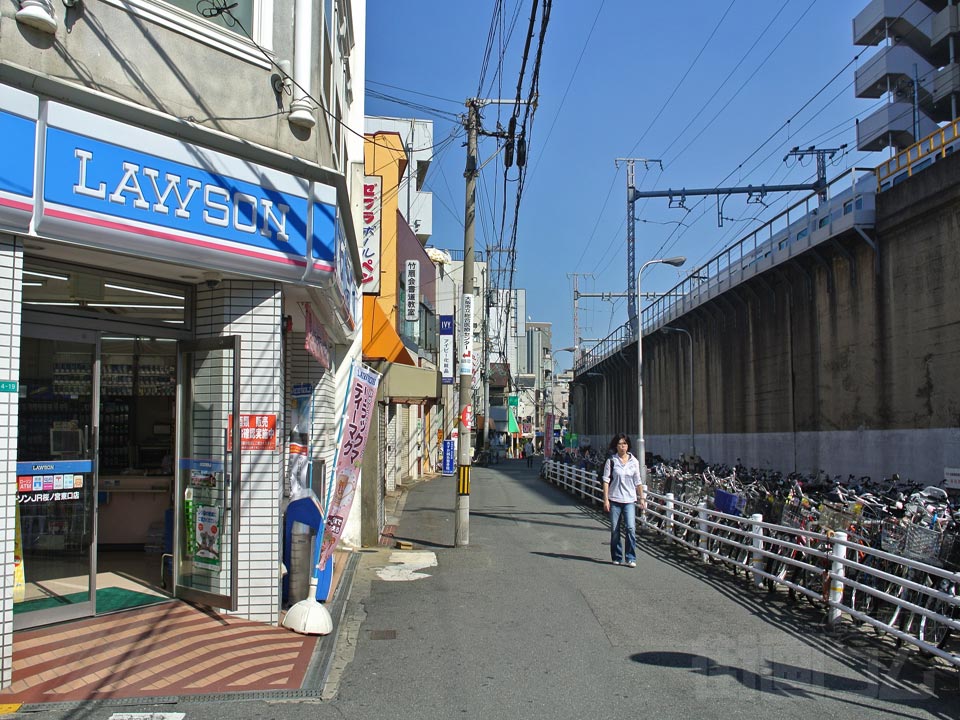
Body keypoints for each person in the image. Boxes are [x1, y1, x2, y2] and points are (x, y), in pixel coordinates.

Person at [602, 433, 645, 567]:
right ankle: (617, 556)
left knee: (631, 528)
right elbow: (606, 481)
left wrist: (641, 498)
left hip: (629, 500)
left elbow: (638, 481)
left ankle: (631, 557)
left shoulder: (634, 461)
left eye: (625, 444)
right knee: (615, 530)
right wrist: (606, 500)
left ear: (628, 445)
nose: (622, 446)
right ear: (616, 445)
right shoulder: (612, 461)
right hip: (615, 499)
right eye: (620, 444)